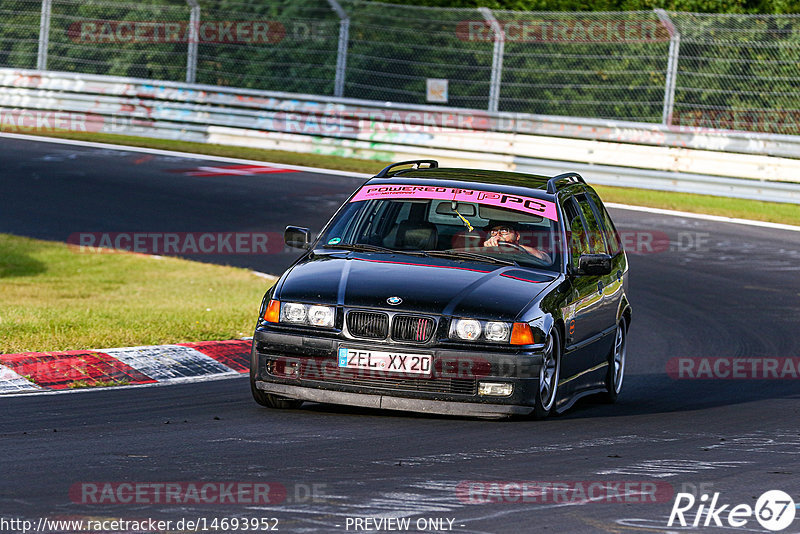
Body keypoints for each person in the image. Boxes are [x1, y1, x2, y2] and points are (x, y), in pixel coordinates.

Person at [483, 220, 549, 262]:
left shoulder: (525, 252)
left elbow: (545, 257)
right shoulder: (487, 249)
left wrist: (513, 247)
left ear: (517, 235)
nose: (498, 235)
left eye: (504, 231)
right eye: (494, 231)